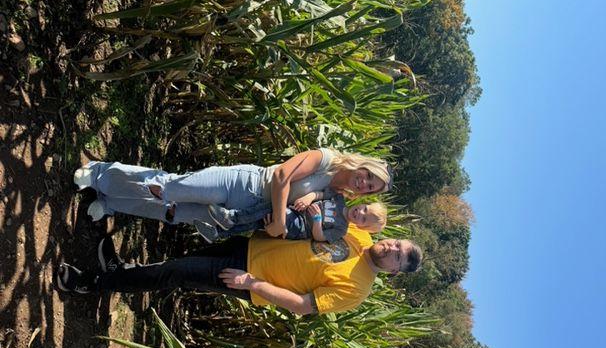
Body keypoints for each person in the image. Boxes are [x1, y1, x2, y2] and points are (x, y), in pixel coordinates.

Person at [56, 227, 422, 315]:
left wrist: (253, 283)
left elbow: (302, 305)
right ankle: (120, 272)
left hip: (248, 276)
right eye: (396, 245)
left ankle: (92, 283)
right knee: (180, 263)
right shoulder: (360, 235)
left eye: (397, 257)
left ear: (392, 273)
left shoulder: (357, 290)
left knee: (177, 273)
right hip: (251, 245)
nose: (391, 249)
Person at [73, 148, 392, 239]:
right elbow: (282, 175)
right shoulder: (327, 159)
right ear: (365, 166)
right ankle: (100, 173)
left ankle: (110, 202)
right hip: (246, 183)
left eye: (370, 188)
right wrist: (280, 220)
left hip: (245, 213)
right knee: (168, 187)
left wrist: (276, 226)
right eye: (368, 177)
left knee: (173, 212)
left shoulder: (338, 197)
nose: (364, 184)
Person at [194, 191, 388, 243]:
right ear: (364, 203)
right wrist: (310, 197)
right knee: (261, 219)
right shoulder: (339, 199)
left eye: (363, 219)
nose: (360, 213)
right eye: (364, 209)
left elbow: (320, 237)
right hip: (296, 209)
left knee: (277, 212)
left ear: (361, 227)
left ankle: (232, 218)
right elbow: (320, 194)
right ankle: (218, 233)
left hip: (299, 227)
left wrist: (318, 221)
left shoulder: (341, 229)